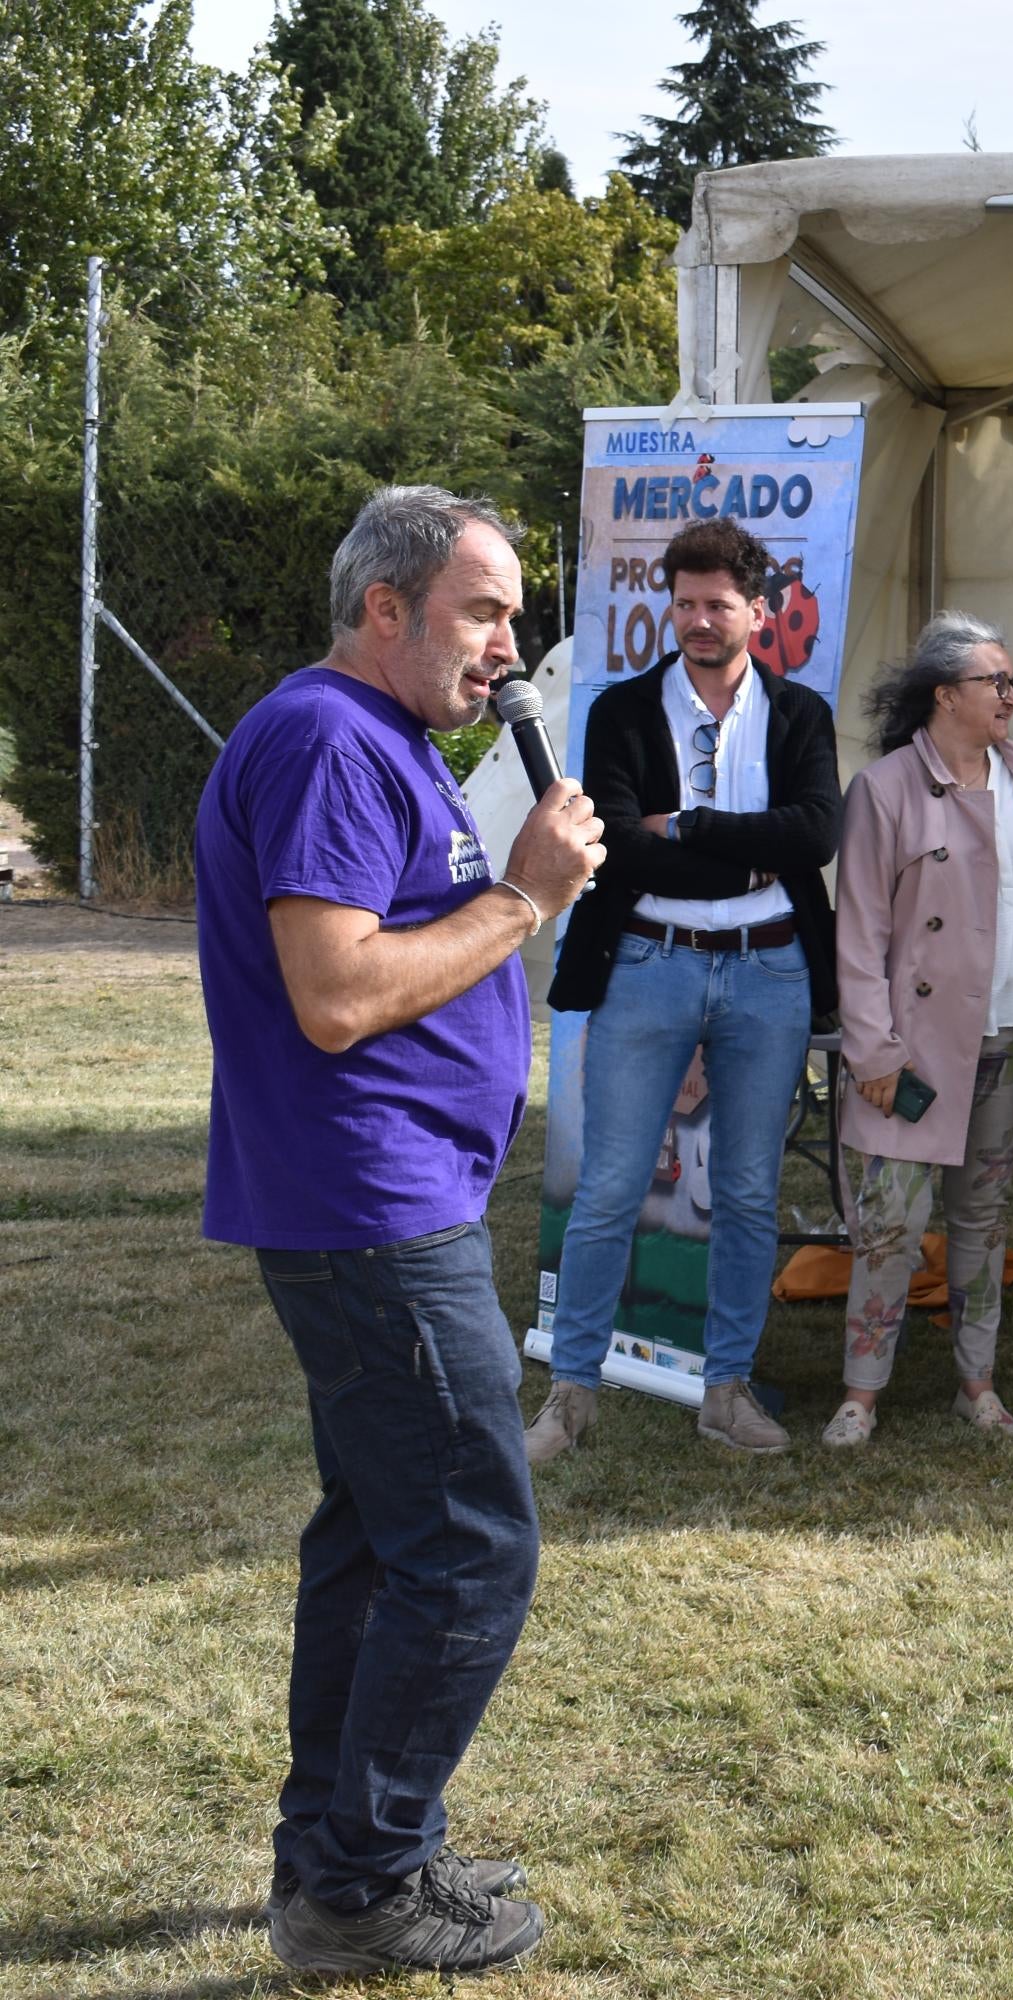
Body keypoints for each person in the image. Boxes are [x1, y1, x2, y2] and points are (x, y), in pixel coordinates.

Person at [197, 485, 603, 1974]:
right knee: (473, 1544)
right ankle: (363, 1886)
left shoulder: (382, 739)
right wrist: (526, 896)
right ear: (386, 608)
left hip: (386, 1197)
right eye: (482, 611)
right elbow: (339, 992)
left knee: (378, 1540)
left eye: (512, 617)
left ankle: (339, 1852)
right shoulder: (325, 739)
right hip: (370, 1210)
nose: (508, 645)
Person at [524, 516, 842, 1462]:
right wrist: (747, 849)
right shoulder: (622, 711)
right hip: (648, 964)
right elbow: (620, 843)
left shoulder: (800, 715)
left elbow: (815, 836)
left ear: (758, 610)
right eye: (685, 603)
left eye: (719, 604)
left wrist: (691, 829)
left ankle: (726, 1392)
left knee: (745, 1192)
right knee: (610, 1187)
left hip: (771, 971)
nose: (699, 620)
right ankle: (569, 1398)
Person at [825, 612, 1013, 1447]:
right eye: (995, 682)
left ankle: (977, 1383)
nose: (1011, 696)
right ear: (944, 695)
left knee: (984, 1220)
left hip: (1008, 1035)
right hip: (913, 1055)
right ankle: (861, 1394)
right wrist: (872, 1048)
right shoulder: (885, 789)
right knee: (891, 1226)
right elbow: (859, 931)